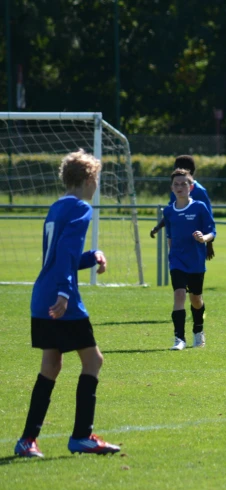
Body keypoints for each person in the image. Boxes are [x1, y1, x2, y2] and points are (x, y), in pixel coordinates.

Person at [14, 149, 121, 458]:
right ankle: (82, 436)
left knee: (51, 365)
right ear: (88, 179)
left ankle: (27, 440)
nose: (97, 185)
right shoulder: (80, 209)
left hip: (41, 294)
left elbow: (64, 255)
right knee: (93, 361)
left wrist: (91, 257)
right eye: (97, 179)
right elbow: (64, 254)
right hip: (63, 298)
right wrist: (64, 293)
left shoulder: (57, 207)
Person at [164, 168, 216, 350]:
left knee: (195, 299)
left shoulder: (199, 208)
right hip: (177, 261)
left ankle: (198, 331)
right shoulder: (169, 212)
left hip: (195, 262)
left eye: (183, 184)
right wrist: (172, 257)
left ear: (191, 187)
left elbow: (212, 231)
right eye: (176, 184)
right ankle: (179, 339)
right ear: (171, 188)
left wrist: (203, 238)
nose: (180, 187)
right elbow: (170, 236)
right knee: (179, 295)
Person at [151, 155, 215, 261]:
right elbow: (171, 213)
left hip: (195, 244)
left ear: (187, 170)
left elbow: (208, 220)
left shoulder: (199, 191)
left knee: (193, 274)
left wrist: (209, 244)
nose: (175, 170)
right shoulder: (176, 190)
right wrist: (158, 227)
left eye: (177, 167)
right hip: (178, 243)